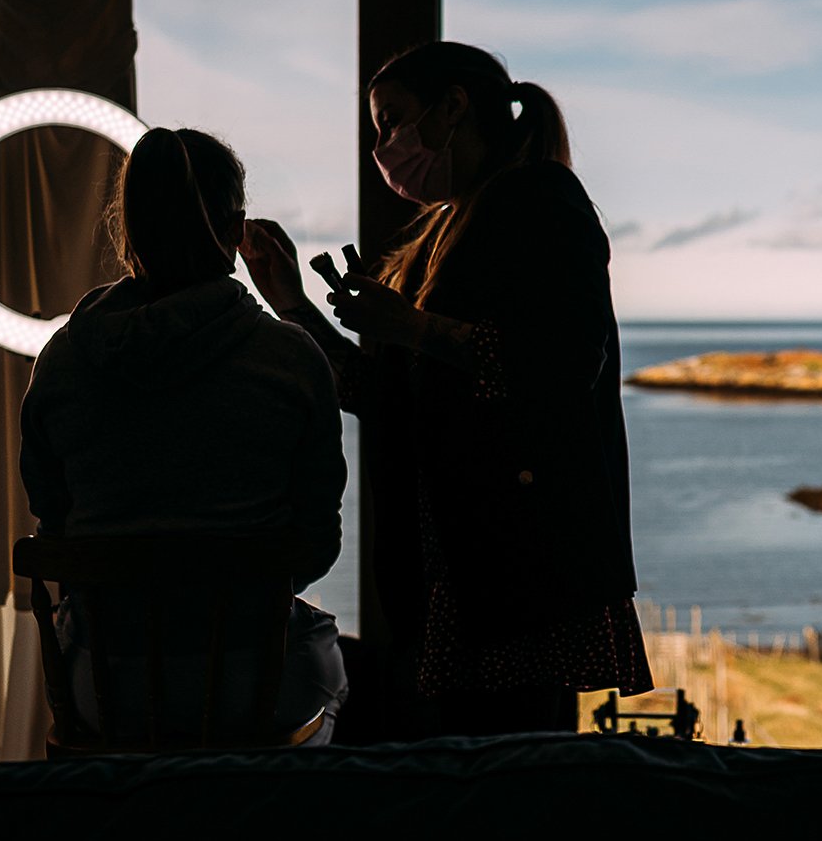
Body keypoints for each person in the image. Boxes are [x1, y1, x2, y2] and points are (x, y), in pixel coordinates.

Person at [241, 42, 652, 737]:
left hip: (520, 571)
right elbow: (385, 394)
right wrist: (296, 308)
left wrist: (415, 327)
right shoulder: (446, 231)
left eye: (392, 119)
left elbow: (563, 363)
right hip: (465, 572)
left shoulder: (542, 200)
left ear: (454, 106)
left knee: (507, 775)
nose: (385, 146)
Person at [19, 127, 349, 745]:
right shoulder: (289, 359)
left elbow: (55, 521)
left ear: (128, 230)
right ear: (237, 230)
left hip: (108, 685)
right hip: (253, 684)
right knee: (329, 672)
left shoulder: (61, 361)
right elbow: (314, 546)